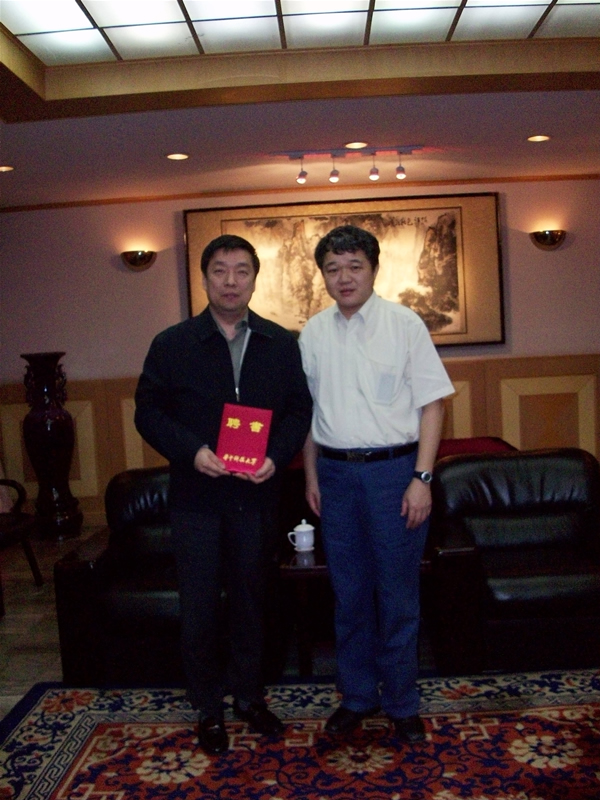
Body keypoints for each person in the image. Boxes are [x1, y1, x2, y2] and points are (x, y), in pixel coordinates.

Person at [135, 234, 312, 755]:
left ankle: (250, 697)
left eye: (241, 271)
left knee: (253, 601)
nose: (230, 281)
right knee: (199, 607)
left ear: (255, 279)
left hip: (257, 496)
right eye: (219, 270)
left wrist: (277, 456)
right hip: (196, 497)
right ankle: (208, 706)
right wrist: (191, 451)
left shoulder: (281, 343)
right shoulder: (172, 344)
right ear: (204, 277)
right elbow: (148, 412)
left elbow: (299, 410)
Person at [299, 224, 454, 743]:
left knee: (397, 594)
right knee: (348, 594)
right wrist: (312, 476)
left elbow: (432, 405)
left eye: (354, 266)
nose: (343, 277)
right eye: (333, 269)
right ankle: (358, 696)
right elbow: (309, 415)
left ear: (373, 270)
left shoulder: (404, 324)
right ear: (323, 276)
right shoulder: (312, 334)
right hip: (335, 476)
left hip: (395, 475)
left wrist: (422, 479)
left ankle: (403, 703)